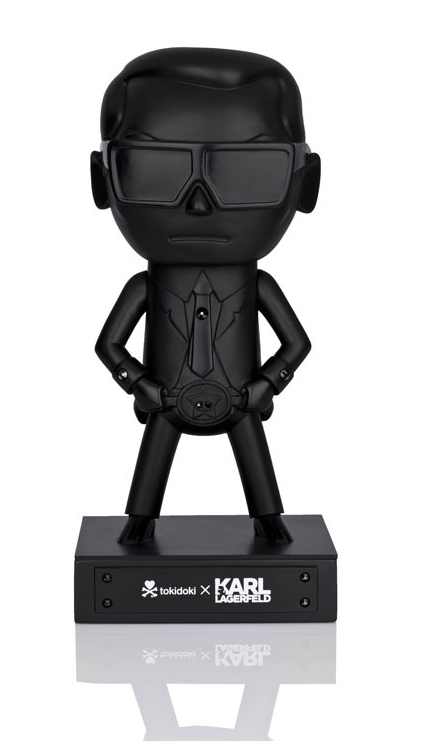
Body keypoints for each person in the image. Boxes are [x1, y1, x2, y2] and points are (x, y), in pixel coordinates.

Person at [91, 48, 321, 544]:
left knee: (257, 472)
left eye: (247, 170)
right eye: (156, 167)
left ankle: (270, 522)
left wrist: (267, 385)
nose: (198, 202)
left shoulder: (257, 285)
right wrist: (139, 386)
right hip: (169, 397)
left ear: (306, 185)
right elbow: (108, 346)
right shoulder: (144, 286)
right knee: (150, 475)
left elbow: (297, 344)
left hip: (237, 398)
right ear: (101, 181)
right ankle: (138, 524)